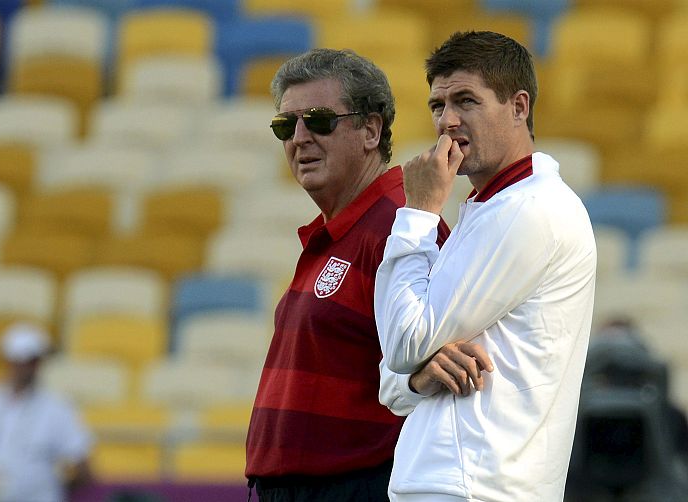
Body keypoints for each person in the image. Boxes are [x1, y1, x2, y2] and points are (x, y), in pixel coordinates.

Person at [374, 31, 597, 501]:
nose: (447, 120)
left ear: (519, 106)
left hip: (477, 486)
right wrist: (419, 375)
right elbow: (392, 382)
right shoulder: (492, 208)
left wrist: (417, 213)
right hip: (456, 482)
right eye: (438, 105)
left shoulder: (530, 209)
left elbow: (402, 341)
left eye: (466, 101)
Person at [245, 48, 450, 501]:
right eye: (286, 125)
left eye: (318, 120)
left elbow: (437, 366)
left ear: (370, 130)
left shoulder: (403, 224)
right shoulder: (344, 229)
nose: (299, 138)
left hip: (358, 485)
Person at [0, 323, 93, 502]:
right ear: (6, 361)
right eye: (18, 360)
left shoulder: (59, 409)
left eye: (31, 361)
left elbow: (83, 467)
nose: (24, 367)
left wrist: (51, 487)